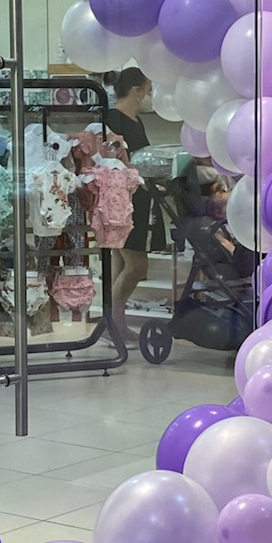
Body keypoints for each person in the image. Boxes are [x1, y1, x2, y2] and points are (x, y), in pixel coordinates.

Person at [105, 67, 154, 346]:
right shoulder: (113, 119)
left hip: (139, 198)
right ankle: (113, 321)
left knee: (121, 262)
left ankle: (115, 324)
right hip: (123, 202)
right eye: (148, 89)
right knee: (136, 264)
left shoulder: (135, 120)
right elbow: (114, 161)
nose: (150, 95)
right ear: (137, 90)